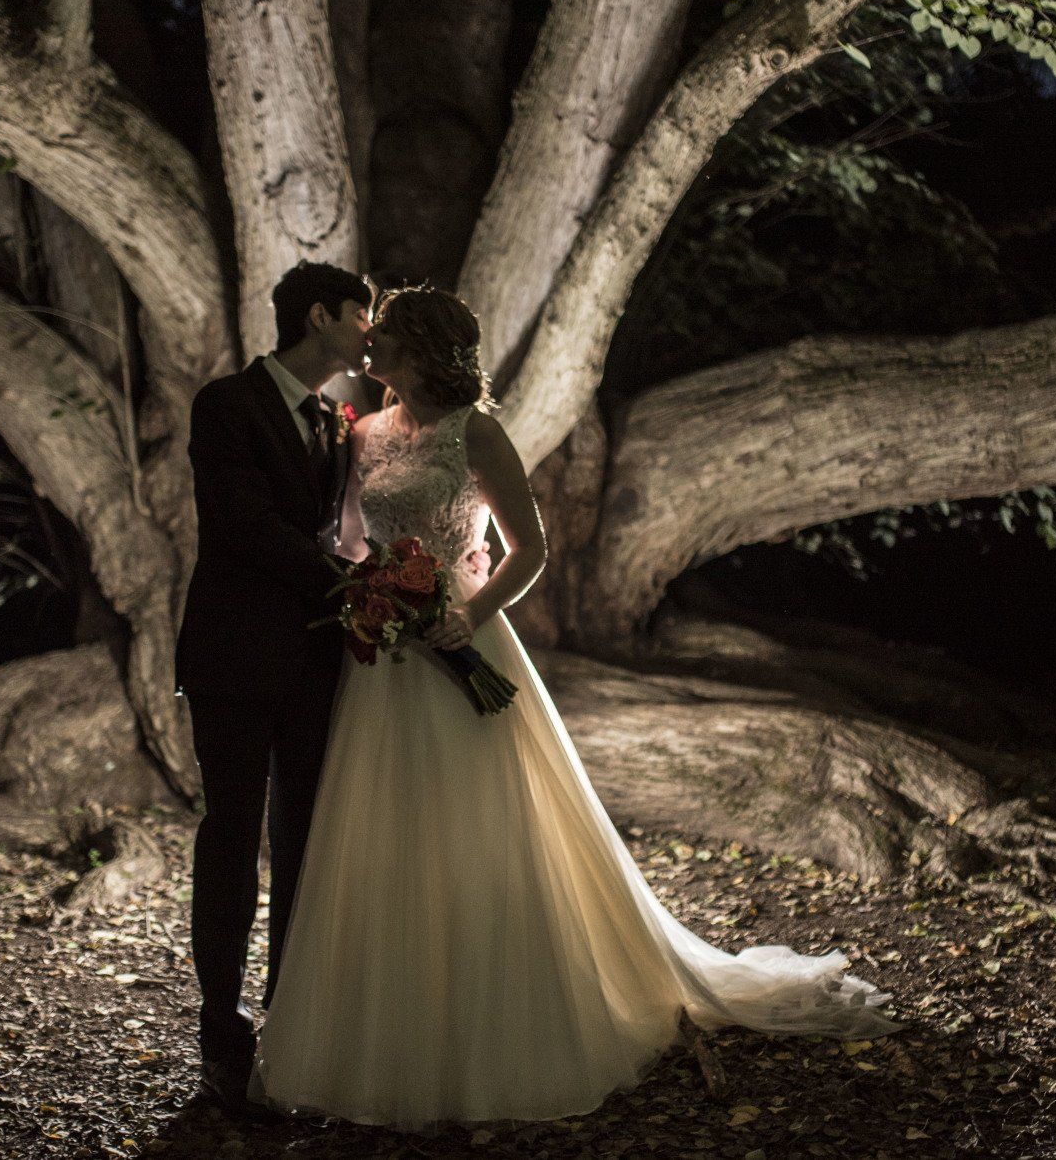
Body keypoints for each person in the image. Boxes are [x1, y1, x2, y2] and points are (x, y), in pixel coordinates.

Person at [251, 286, 900, 1129]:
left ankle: (494, 1033)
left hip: (464, 640)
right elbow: (345, 537)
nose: (369, 343)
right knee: (383, 836)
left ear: (424, 348)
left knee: (480, 832)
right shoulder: (363, 434)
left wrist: (465, 614)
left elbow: (531, 549)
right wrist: (366, 595)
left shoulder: (475, 433)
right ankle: (375, 1038)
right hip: (385, 660)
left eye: (388, 334)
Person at [174, 260, 372, 1116]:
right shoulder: (225, 404)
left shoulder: (336, 420)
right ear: (321, 315)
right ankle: (221, 1030)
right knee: (231, 838)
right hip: (232, 657)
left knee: (304, 846)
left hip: (316, 663)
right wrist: (349, 583)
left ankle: (290, 1027)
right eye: (361, 316)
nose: (369, 332)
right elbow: (246, 525)